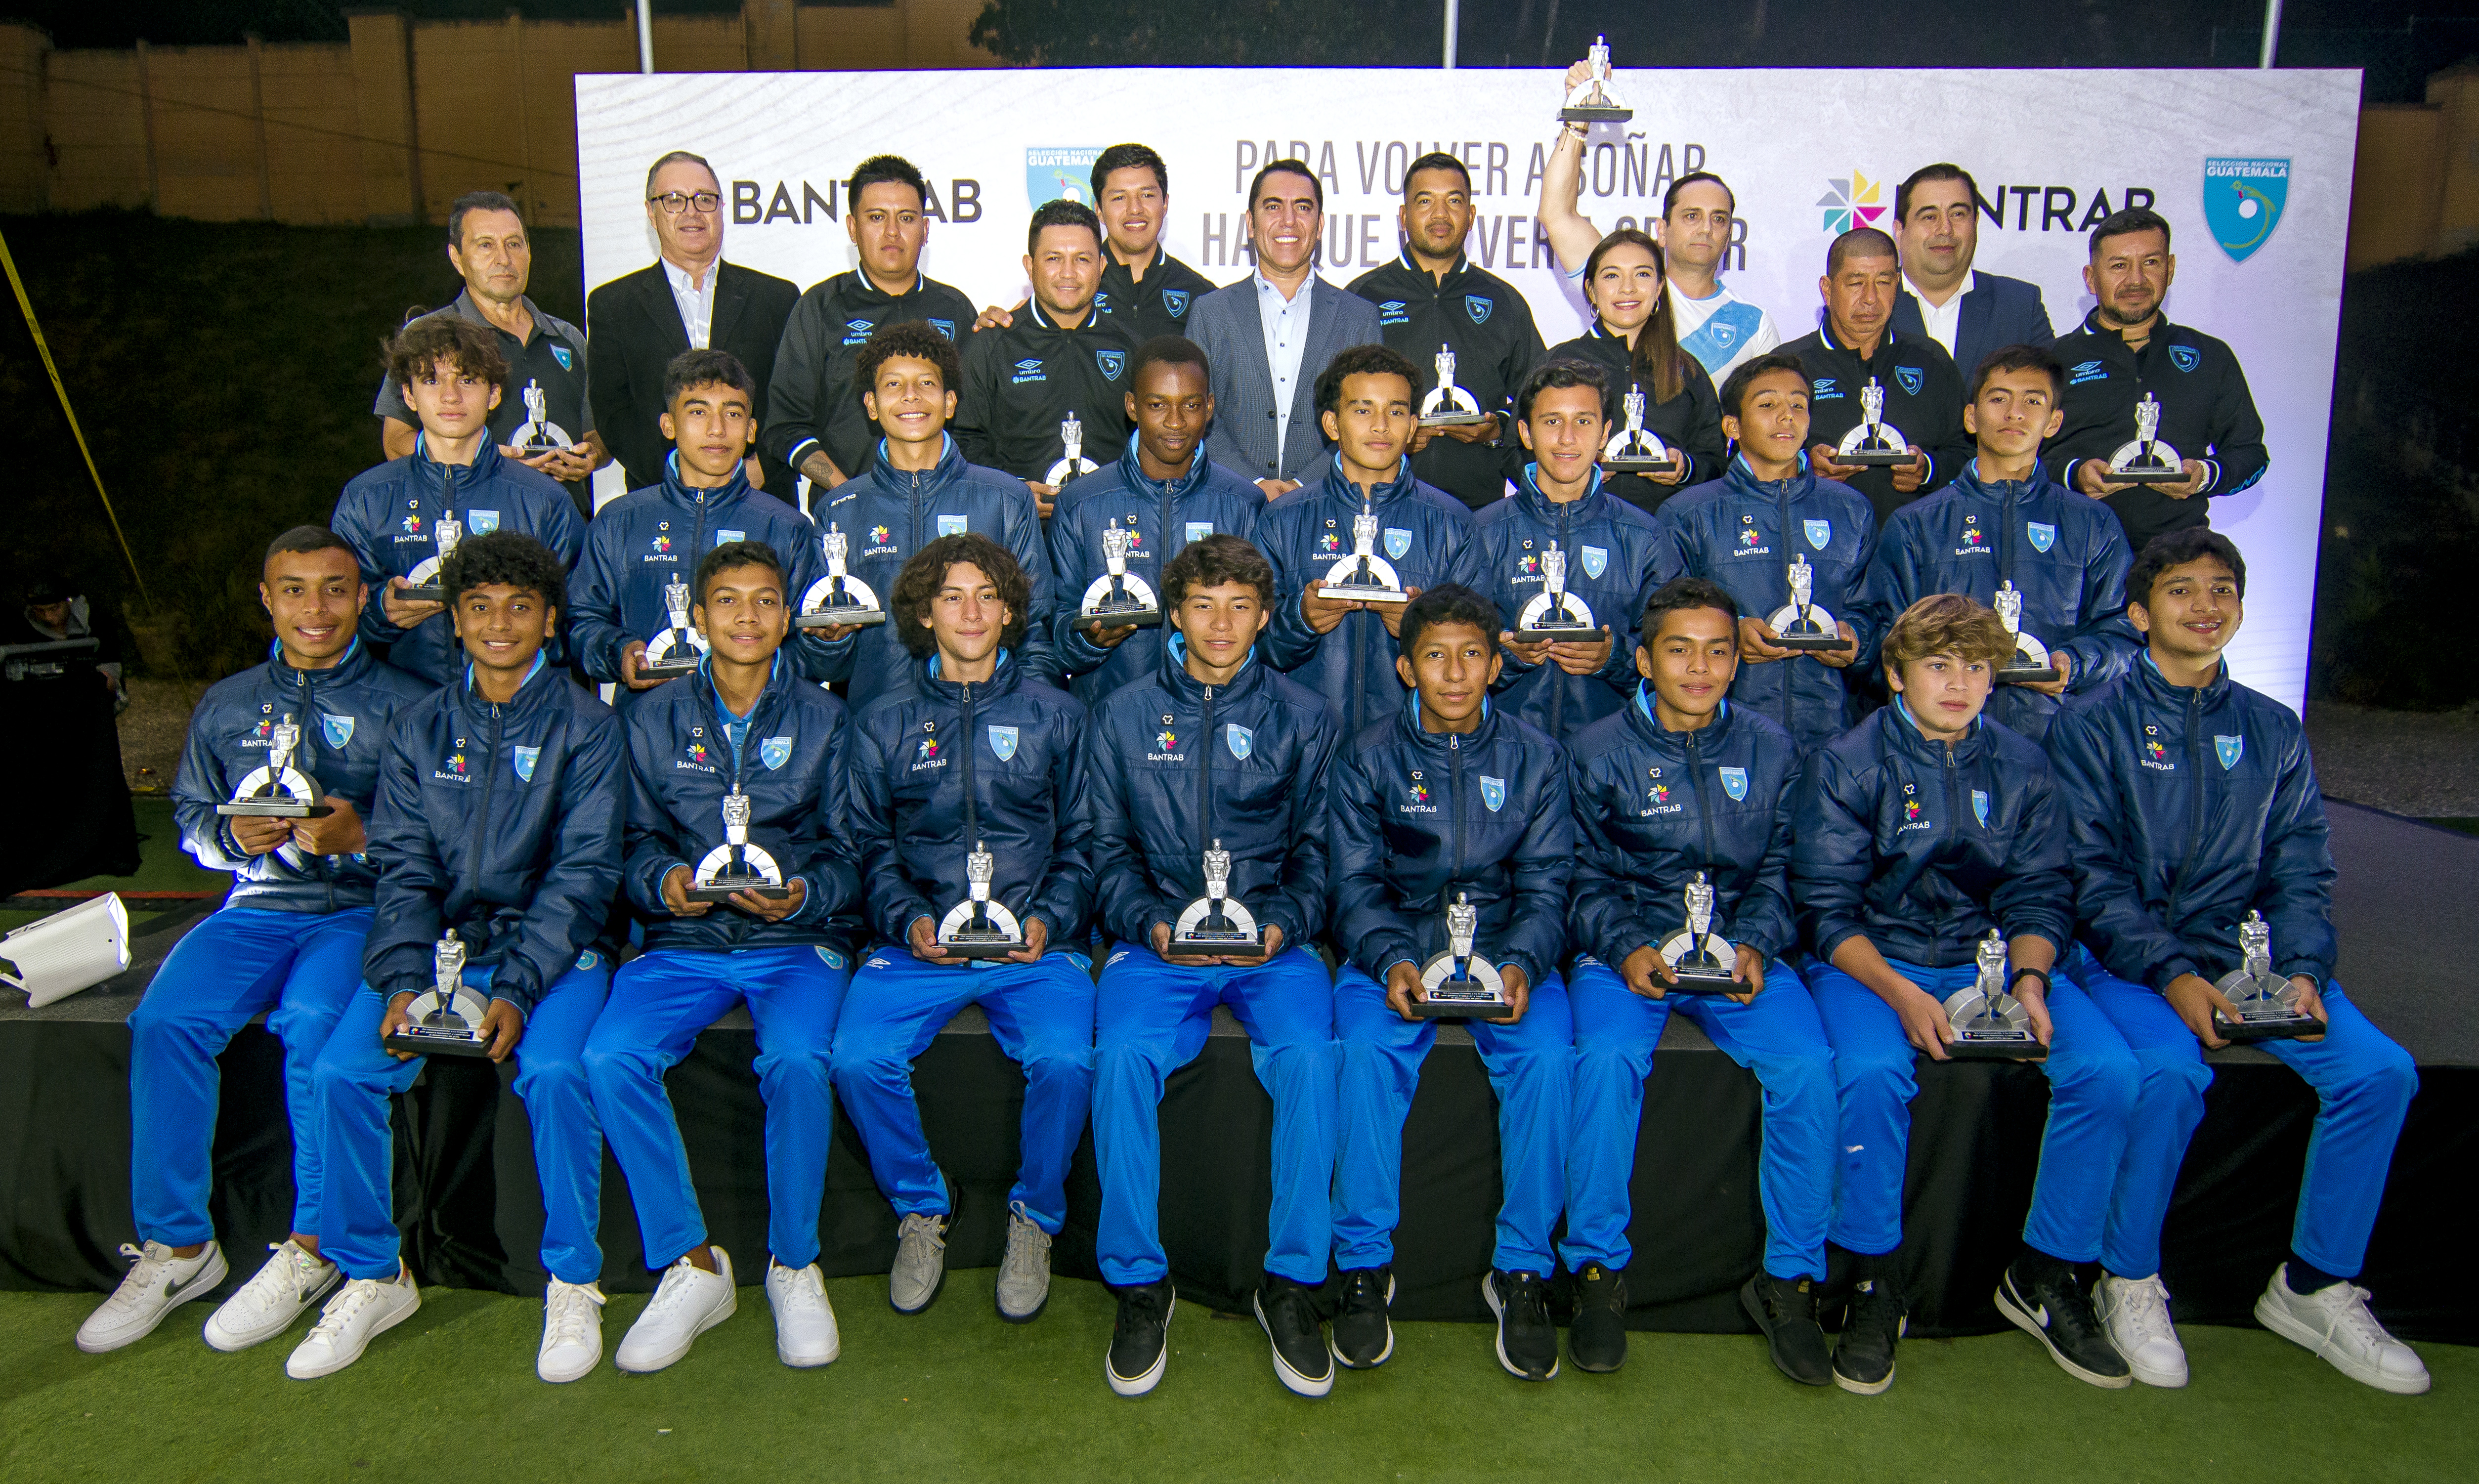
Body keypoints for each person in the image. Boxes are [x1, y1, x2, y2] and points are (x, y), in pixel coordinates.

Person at [2045, 529, 2428, 1395]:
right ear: (2140, 614)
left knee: (2380, 1071)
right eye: (2183, 591)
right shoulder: (2090, 723)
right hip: (2123, 958)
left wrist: (2298, 965)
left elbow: (2302, 864)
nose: (2206, 606)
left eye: (2222, 588)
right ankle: (2129, 1276)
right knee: (2170, 1072)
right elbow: (2089, 877)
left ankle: (2312, 1285)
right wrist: (2175, 974)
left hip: (2249, 954)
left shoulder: (2272, 726)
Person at [75, 527, 427, 1358]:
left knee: (311, 1023)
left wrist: (358, 836)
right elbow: (193, 820)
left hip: (358, 910)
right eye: (295, 589)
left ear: (362, 598)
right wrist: (238, 842)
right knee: (163, 1022)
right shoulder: (230, 702)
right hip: (257, 906)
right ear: (267, 599)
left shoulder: (405, 700)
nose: (316, 607)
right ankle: (181, 1247)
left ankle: (312, 1245)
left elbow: (432, 833)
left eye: (335, 589)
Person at [293, 532, 623, 1381]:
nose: (499, 624)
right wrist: (405, 978)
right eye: (479, 607)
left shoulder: (588, 725)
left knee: (553, 1070)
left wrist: (514, 986)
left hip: (554, 954)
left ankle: (574, 1277)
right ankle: (373, 1271)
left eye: (520, 606)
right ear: (457, 619)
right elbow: (403, 865)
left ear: (550, 620)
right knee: (340, 1071)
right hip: (441, 952)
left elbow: (584, 874)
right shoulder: (418, 724)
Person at [1793, 594, 2142, 1394]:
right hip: (1871, 961)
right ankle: (1876, 1278)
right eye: (1938, 665)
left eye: (1977, 667)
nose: (1958, 683)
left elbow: (2043, 888)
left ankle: (2047, 1270)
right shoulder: (1846, 759)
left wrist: (2028, 982)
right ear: (1894, 674)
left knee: (2110, 1071)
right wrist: (1902, 994)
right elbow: (1824, 907)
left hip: (1989, 961)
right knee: (1876, 1072)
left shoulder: (2024, 762)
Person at [582, 540, 860, 1375]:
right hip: (685, 939)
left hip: (792, 940)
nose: (747, 616)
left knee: (800, 1058)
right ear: (696, 619)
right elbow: (626, 845)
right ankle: (691, 1262)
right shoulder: (648, 718)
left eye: (766, 600)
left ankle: (793, 1262)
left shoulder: (826, 716)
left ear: (789, 614)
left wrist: (804, 893)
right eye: (728, 601)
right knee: (609, 1053)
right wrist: (663, 882)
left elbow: (850, 853)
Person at [1560, 577, 1838, 1382]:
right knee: (1606, 1061)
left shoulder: (1774, 747)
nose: (1700, 666)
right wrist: (1621, 947)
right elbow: (1576, 873)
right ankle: (1597, 1273)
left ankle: (1788, 1278)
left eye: (1718, 649)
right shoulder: (1593, 748)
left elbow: (1790, 866)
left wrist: (1755, 941)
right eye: (1679, 649)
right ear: (1644, 659)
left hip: (1740, 952)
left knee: (1807, 1067)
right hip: (1629, 949)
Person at [1084, 535, 1341, 1399]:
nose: (1221, 623)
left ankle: (1294, 1280)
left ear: (1266, 617)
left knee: (1311, 1056)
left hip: (1272, 945)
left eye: (1239, 606)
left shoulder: (1305, 715)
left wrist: (1281, 925)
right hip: (1158, 941)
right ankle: (1136, 1278)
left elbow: (1318, 853)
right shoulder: (1120, 713)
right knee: (1119, 1057)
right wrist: (1149, 922)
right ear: (1176, 614)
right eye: (1202, 604)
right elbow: (1106, 850)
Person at [833, 535, 1094, 1326]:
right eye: (952, 596)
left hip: (1034, 947)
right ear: (922, 613)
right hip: (921, 947)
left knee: (1064, 1059)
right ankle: (921, 1206)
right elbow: (867, 846)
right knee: (855, 1056)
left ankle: (1036, 1217)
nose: (971, 610)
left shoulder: (1058, 713)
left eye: (987, 594)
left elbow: (1086, 841)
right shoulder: (883, 721)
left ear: (1011, 610)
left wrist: (1049, 918)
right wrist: (908, 920)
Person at [1327, 583, 1576, 1383]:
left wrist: (1524, 961)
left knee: (1545, 1056)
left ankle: (1522, 1270)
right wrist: (1393, 957)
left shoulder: (1537, 757)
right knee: (1364, 1050)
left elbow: (1548, 888)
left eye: (1473, 654)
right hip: (1396, 952)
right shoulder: (1366, 754)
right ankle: (1364, 1265)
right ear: (1406, 667)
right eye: (1436, 655)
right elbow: (1354, 886)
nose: (1456, 672)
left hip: (1502, 952)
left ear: (1498, 665)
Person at [1855, 344, 2136, 744]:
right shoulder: (1916, 524)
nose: (2015, 413)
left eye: (2033, 401)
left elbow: (2126, 631)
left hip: (2060, 743)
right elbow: (1886, 636)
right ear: (1971, 416)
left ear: (2054, 421)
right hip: (1942, 745)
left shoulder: (2093, 523)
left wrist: (2075, 664)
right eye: (1999, 398)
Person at [812, 322, 1057, 712]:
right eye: (893, 385)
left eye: (926, 383)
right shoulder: (839, 511)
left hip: (986, 726)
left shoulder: (1005, 499)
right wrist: (829, 639)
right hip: (879, 731)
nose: (911, 396)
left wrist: (1026, 722)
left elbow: (1036, 631)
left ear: (950, 402)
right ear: (872, 405)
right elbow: (824, 663)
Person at [568, 348, 827, 711]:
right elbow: (581, 620)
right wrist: (620, 652)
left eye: (733, 413)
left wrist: (761, 668)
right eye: (698, 411)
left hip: (759, 730)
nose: (717, 429)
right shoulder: (618, 522)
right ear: (669, 425)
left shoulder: (788, 528)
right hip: (648, 727)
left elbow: (810, 645)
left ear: (752, 430)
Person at [333, 316, 584, 688]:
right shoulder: (367, 497)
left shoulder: (545, 502)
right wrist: (379, 612)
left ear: (495, 393)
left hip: (516, 713)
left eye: (467, 380)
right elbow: (333, 613)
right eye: (432, 380)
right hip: (404, 714)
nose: (451, 396)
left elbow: (579, 620)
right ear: (408, 395)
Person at [1652, 353, 1877, 752]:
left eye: (1798, 405)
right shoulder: (1689, 513)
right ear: (1733, 426)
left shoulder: (1852, 508)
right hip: (1724, 734)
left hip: (1831, 732)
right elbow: (1661, 618)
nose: (1787, 416)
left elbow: (1874, 608)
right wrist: (1730, 630)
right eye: (1768, 405)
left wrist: (1857, 638)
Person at [1258, 343, 1484, 738]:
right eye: (1363, 410)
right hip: (1304, 743)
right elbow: (1247, 645)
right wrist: (1301, 620)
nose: (1381, 425)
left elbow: (1480, 650)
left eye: (1396, 411)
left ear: (1414, 426)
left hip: (1412, 751)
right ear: (1331, 424)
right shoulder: (1282, 519)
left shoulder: (1453, 524)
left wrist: (1423, 630)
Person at [1047, 336, 1266, 704]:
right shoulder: (1080, 503)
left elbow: (1263, 624)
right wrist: (1087, 640)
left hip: (1217, 717)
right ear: (1132, 406)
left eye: (1191, 405)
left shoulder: (1244, 504)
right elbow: (1052, 629)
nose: (1176, 422)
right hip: (1111, 717)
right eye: (1157, 404)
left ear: (1210, 407)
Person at [2041, 208, 2268, 555]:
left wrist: (2205, 475)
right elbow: (2015, 456)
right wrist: (2074, 475)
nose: (2136, 280)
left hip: (2175, 562)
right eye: (2119, 265)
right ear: (2090, 278)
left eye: (2150, 262)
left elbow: (2252, 455)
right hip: (2071, 557)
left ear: (2171, 268)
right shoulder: (2051, 361)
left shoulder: (2209, 355)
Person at [376, 190, 606, 517]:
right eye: (485, 245)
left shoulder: (568, 338)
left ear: (529, 252)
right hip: (469, 531)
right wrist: (477, 458)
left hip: (564, 537)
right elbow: (396, 441)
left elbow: (596, 433)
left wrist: (592, 454)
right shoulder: (427, 336)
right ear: (457, 258)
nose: (504, 258)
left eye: (514, 244)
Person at [587, 150, 801, 495]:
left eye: (705, 199)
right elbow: (614, 414)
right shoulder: (613, 305)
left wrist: (760, 468)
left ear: (721, 209)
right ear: (651, 214)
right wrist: (681, 480)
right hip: (659, 505)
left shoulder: (777, 298)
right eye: (674, 200)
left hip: (762, 498)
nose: (692, 211)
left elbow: (795, 402)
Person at [764, 156, 977, 495]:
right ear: (852, 228)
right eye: (877, 217)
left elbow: (975, 425)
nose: (892, 232)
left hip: (944, 511)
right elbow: (786, 427)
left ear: (925, 230)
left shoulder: (956, 309)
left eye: (906, 218)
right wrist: (847, 492)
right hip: (847, 518)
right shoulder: (820, 307)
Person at [1475, 359, 1664, 740]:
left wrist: (1614, 657)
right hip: (1505, 750)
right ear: (1526, 433)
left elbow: (1673, 652)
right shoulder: (1481, 531)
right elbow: (1452, 644)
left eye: (1583, 421)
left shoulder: (1645, 536)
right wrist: (1508, 656)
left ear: (1606, 433)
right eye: (1551, 421)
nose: (1567, 438)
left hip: (1612, 753)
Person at [1347, 152, 1546, 511]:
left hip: (1479, 511)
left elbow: (1542, 398)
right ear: (1404, 217)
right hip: (1378, 505)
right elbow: (1333, 404)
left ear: (1471, 217)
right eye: (1425, 202)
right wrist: (1393, 433)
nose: (1441, 215)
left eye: (1454, 201)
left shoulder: (1503, 301)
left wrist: (1497, 428)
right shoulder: (1363, 296)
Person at [1187, 160, 1384, 497]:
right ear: (1250, 223)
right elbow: (1195, 414)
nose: (1288, 220)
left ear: (1320, 225)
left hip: (1329, 504)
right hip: (1231, 506)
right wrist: (1253, 484)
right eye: (1273, 206)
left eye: (1303, 208)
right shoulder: (1210, 313)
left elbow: (1366, 420)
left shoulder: (1358, 318)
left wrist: (1303, 485)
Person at [1538, 115, 1779, 384]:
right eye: (1692, 216)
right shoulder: (1630, 290)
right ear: (1662, 230)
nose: (1706, 229)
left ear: (1730, 236)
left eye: (1719, 219)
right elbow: (1557, 214)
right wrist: (1577, 121)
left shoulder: (1753, 324)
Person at [955, 199, 1140, 518]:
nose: (1068, 273)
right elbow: (962, 439)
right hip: (1016, 533)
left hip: (1113, 527)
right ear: (1029, 266)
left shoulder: (1132, 347)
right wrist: (1012, 489)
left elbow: (1150, 442)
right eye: (1054, 258)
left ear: (1102, 266)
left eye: (1082, 259)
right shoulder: (990, 345)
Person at [1781, 228, 1973, 529]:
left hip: (1912, 549)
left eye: (1883, 283)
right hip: (1814, 546)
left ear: (1897, 285)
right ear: (1827, 289)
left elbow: (1970, 452)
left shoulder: (1930, 359)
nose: (1870, 299)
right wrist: (1803, 466)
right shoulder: (1787, 366)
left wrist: (1928, 470)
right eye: (1856, 283)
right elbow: (1748, 457)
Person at [1540, 229, 1727, 518]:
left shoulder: (1687, 370)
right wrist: (1566, 472)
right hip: (1576, 530)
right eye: (1612, 276)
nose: (1627, 288)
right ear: (1591, 290)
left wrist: (1686, 468)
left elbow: (1717, 462)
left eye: (1642, 275)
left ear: (1660, 287)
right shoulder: (1559, 363)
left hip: (1667, 538)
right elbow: (1519, 452)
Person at [4, 576, 138, 892]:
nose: (48, 617)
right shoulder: (22, 625)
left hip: (87, 707)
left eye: (53, 609)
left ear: (67, 603)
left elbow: (111, 671)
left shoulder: (96, 618)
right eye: (40, 610)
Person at [1889, 164, 2055, 380]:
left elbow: (2049, 396)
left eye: (1958, 214)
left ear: (1976, 222)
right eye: (1929, 217)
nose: (1945, 229)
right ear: (1900, 231)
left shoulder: (2021, 305)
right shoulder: (1869, 302)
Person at [1091, 143, 1216, 342]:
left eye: (1147, 195)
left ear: (1165, 204)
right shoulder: (1075, 287)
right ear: (1099, 210)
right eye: (1119, 197)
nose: (1135, 209)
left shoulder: (1202, 297)